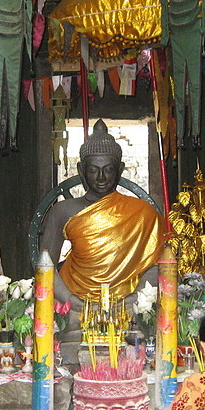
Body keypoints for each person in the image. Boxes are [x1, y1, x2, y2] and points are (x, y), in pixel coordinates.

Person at [39, 119, 165, 312]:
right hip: (74, 306)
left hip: (129, 307)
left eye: (108, 170)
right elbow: (45, 267)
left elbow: (157, 267)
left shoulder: (143, 214)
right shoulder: (62, 211)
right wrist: (72, 301)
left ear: (120, 170)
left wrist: (134, 300)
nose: (101, 178)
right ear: (81, 170)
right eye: (93, 170)